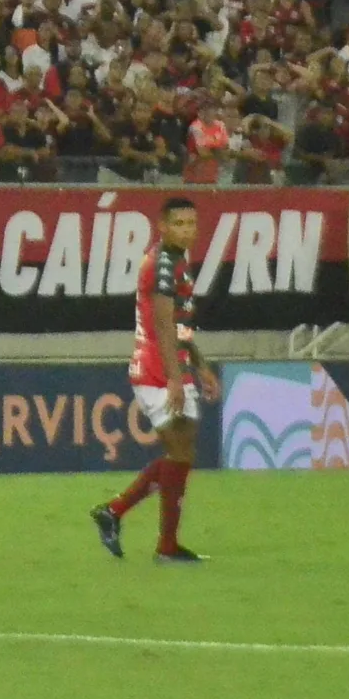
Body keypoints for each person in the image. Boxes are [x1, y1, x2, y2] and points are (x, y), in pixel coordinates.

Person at [94, 198, 219, 564]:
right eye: (178, 223)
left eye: (191, 223)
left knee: (181, 453)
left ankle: (121, 516)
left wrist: (201, 365)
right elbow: (163, 326)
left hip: (171, 366)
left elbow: (180, 325)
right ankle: (154, 537)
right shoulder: (161, 264)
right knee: (180, 453)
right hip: (156, 369)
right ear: (161, 226)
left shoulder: (178, 261)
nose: (187, 229)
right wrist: (176, 380)